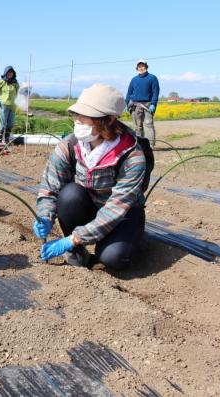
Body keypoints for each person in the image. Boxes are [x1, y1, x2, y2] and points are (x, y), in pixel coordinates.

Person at [32, 84, 147, 270]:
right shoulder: (69, 145)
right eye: (77, 115)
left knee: (112, 258)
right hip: (87, 206)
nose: (78, 120)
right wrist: (45, 216)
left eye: (86, 117)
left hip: (121, 214)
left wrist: (73, 239)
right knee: (69, 195)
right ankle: (78, 252)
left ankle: (130, 238)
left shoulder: (131, 156)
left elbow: (115, 208)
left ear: (109, 120)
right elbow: (50, 186)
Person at [125, 59, 159, 148]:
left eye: (143, 66)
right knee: (137, 127)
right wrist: (126, 103)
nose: (141, 68)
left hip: (147, 105)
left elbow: (155, 92)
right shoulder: (134, 79)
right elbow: (129, 92)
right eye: (139, 66)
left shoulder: (152, 78)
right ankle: (140, 146)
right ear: (137, 68)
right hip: (135, 106)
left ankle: (150, 145)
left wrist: (153, 104)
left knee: (148, 125)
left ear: (146, 67)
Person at [0, 66, 20, 152]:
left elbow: (19, 92)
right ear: (5, 73)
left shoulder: (15, 83)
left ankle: (6, 141)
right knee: (3, 123)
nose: (10, 74)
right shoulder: (1, 82)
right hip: (3, 105)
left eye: (11, 73)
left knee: (10, 124)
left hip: (12, 106)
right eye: (8, 72)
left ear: (13, 74)